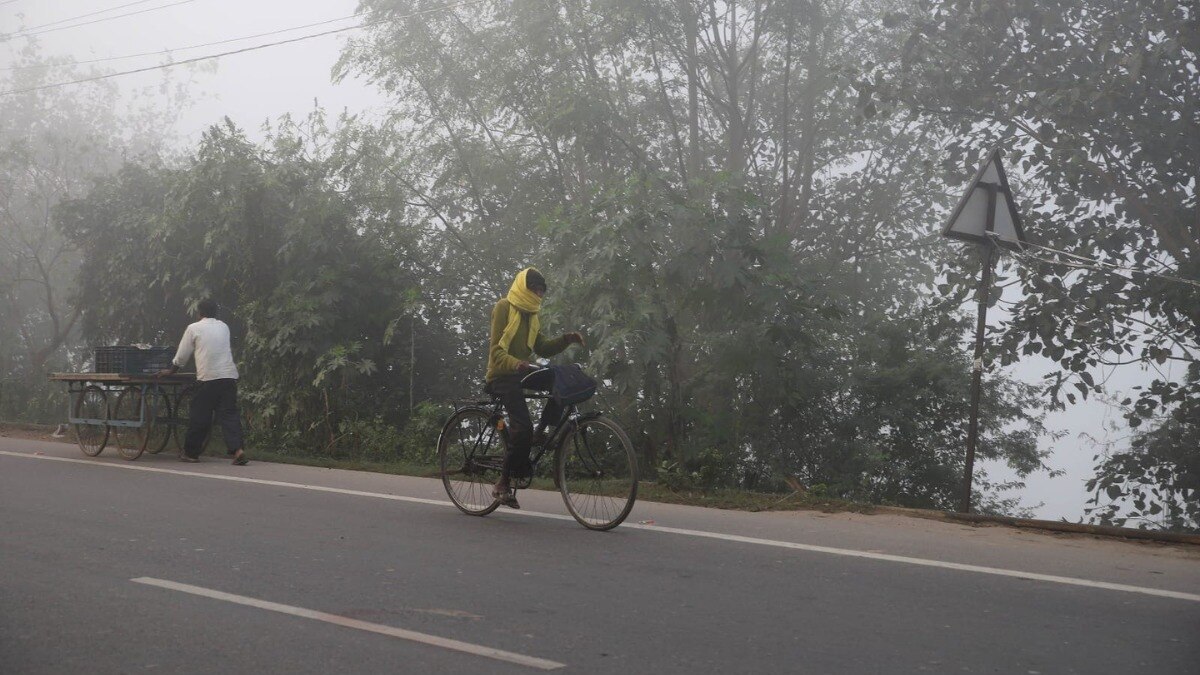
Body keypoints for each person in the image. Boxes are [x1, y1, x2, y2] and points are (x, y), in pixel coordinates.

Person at [486, 268, 584, 508]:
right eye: (536, 290)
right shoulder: (504, 307)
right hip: (502, 375)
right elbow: (496, 352)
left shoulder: (533, 315)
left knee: (558, 380)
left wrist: (566, 339)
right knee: (522, 428)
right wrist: (515, 363)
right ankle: (503, 482)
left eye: (542, 292)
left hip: (522, 372)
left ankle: (542, 430)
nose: (539, 296)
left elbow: (542, 348)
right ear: (524, 287)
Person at [157, 299, 249, 466]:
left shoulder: (194, 328)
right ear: (216, 312)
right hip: (228, 376)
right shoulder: (224, 327)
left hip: (208, 378)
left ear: (199, 313)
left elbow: (183, 355)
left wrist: (171, 371)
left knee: (200, 415)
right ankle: (238, 450)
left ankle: (191, 453)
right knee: (229, 415)